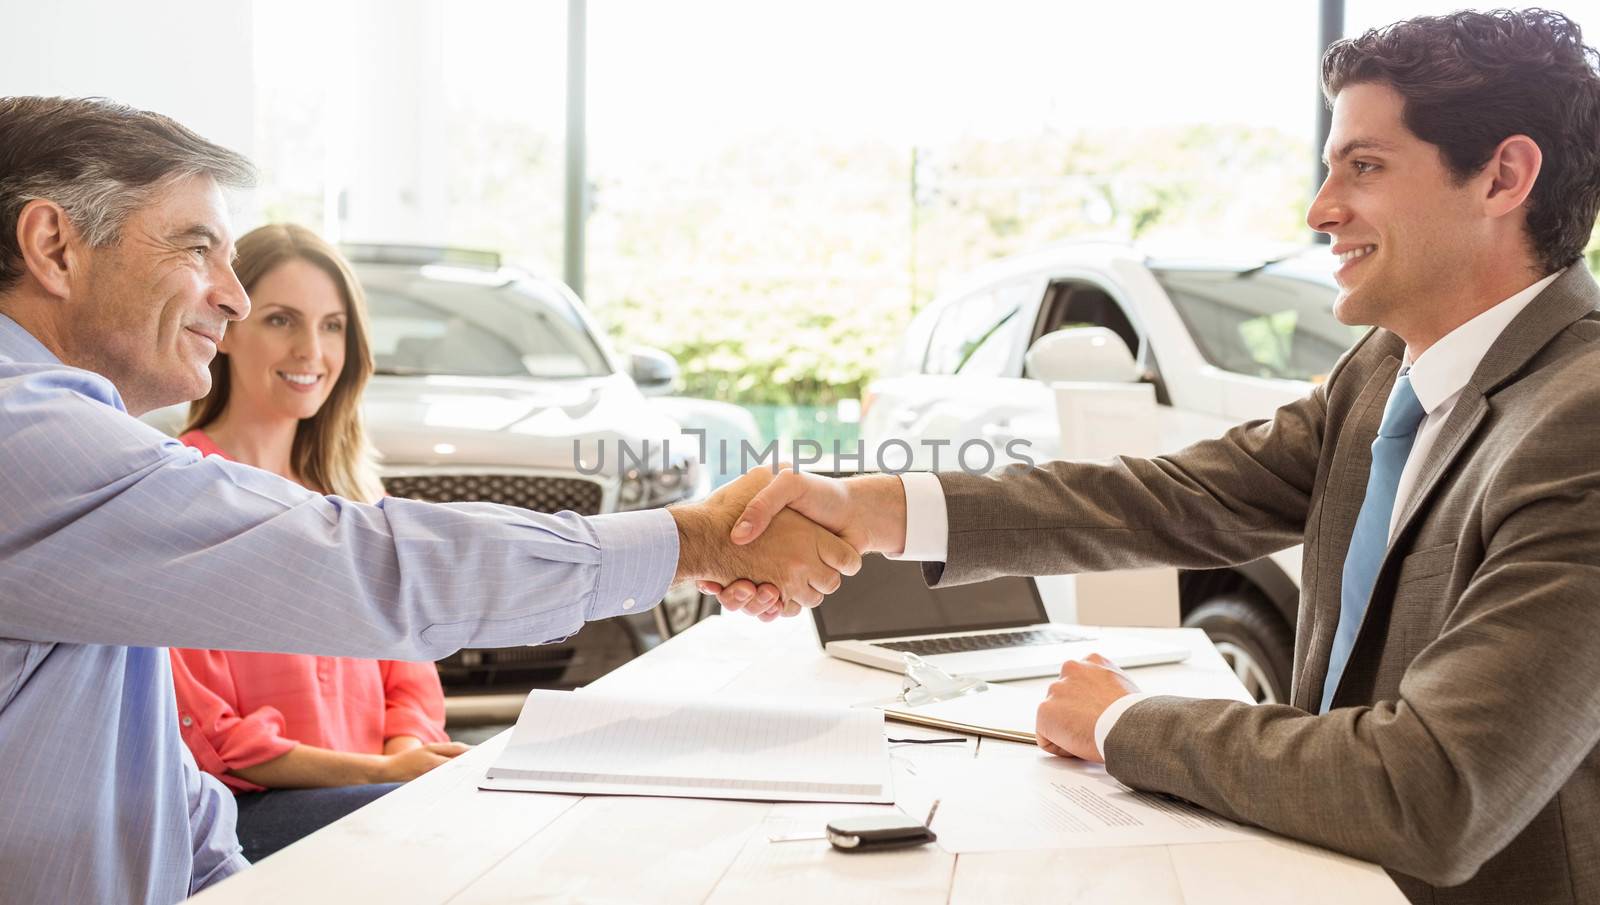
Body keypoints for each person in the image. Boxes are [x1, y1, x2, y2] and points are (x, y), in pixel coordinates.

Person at [706, 10, 1600, 903]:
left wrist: (1124, 721)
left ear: (1504, 177)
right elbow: (1174, 497)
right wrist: (872, 512)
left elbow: (1432, 789)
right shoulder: (1380, 373)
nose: (1320, 210)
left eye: (1364, 167)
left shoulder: (1581, 418)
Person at [0, 96, 853, 904]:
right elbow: (365, 569)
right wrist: (696, 540)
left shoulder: (77, 453)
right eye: (197, 249)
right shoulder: (25, 435)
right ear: (54, 245)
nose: (233, 293)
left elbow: (157, 787)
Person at [167, 223, 468, 862]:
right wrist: (382, 778)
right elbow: (209, 732)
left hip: (373, 794)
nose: (311, 349)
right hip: (242, 818)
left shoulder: (353, 498)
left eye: (332, 326)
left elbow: (408, 671)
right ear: (227, 327)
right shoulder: (181, 494)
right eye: (281, 320)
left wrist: (403, 758)